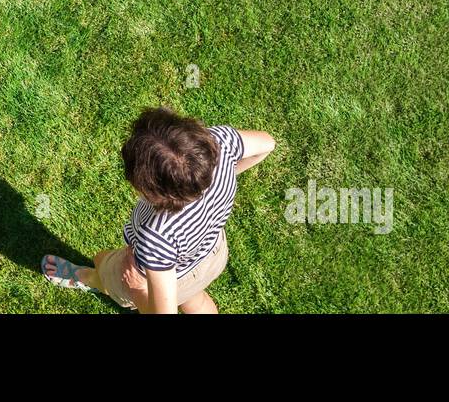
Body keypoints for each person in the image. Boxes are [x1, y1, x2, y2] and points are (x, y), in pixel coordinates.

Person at [43, 107, 275, 313]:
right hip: (211, 256)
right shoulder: (220, 143)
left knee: (102, 261)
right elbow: (267, 144)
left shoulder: (157, 235)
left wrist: (137, 291)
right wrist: (223, 176)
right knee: (193, 296)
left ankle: (88, 278)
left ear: (152, 192)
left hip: (168, 272)